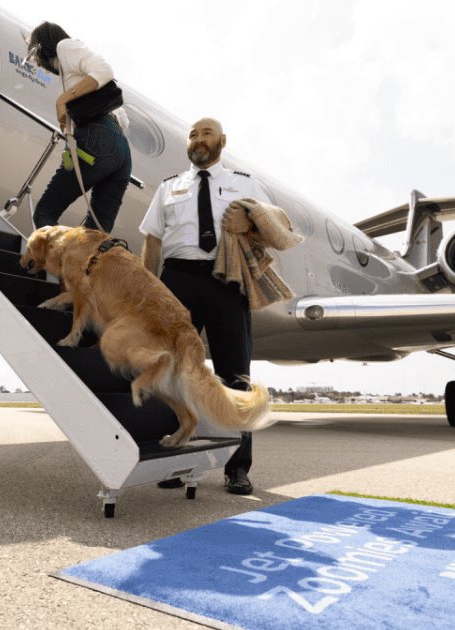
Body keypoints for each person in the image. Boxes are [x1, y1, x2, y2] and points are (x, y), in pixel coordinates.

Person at [138, 117, 270, 495]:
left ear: (222, 141)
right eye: (193, 134)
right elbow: (152, 241)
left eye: (206, 133)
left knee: (235, 374)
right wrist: (148, 294)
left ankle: (237, 468)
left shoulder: (245, 183)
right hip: (178, 280)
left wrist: (251, 224)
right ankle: (176, 461)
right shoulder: (169, 188)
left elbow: (272, 227)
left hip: (227, 280)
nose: (198, 139)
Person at [26, 22, 132, 233]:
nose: (36, 62)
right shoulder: (69, 72)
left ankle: (64, 260)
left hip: (100, 136)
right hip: (121, 151)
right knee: (95, 234)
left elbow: (104, 70)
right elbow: (122, 123)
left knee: (45, 213)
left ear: (42, 45)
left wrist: (63, 100)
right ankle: (86, 261)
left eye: (33, 54)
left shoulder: (65, 46)